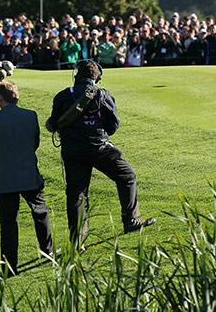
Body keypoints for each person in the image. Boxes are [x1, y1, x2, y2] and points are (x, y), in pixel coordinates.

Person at [45, 60, 155, 245]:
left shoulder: (63, 96)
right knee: (127, 175)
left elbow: (54, 123)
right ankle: (130, 220)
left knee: (77, 194)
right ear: (97, 77)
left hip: (72, 151)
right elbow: (113, 126)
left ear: (76, 75)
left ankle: (77, 241)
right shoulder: (103, 95)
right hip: (99, 149)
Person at [0, 81, 53, 275]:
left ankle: (10, 266)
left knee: (8, 222)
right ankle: (48, 251)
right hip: (28, 172)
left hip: (3, 176)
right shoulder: (31, 116)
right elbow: (34, 142)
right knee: (40, 212)